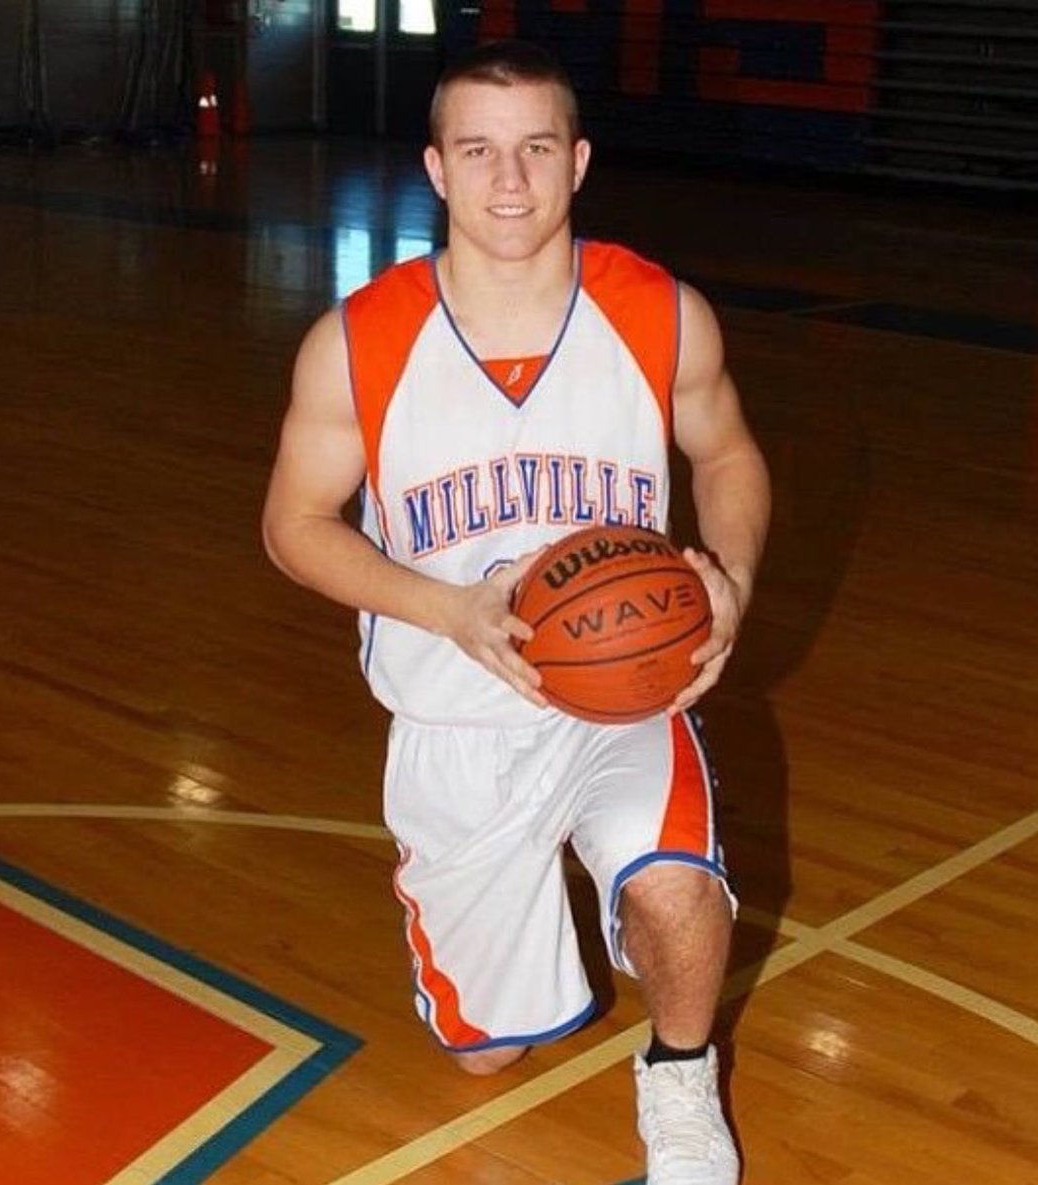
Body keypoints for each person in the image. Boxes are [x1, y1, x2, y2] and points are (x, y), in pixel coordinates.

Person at [262, 39, 770, 1185]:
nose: (508, 180)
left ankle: (680, 1077)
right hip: (454, 724)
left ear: (578, 161)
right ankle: (565, 924)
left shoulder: (659, 314)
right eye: (479, 151)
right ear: (436, 168)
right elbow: (293, 526)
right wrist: (446, 611)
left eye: (536, 148)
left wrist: (727, 578)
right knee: (494, 1054)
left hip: (625, 701)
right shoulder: (356, 344)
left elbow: (729, 451)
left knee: (677, 888)